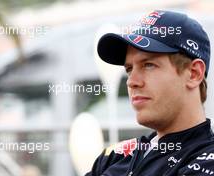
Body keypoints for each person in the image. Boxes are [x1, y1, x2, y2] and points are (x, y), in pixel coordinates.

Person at [85, 10, 214, 176]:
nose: (131, 82)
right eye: (129, 69)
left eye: (148, 65)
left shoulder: (206, 161)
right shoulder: (115, 156)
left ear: (194, 73)